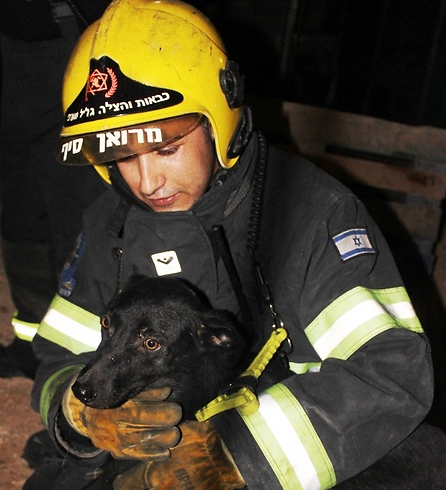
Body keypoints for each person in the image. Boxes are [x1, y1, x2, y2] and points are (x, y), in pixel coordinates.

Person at [25, 0, 434, 488]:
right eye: (123, 156)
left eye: (166, 148)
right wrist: (76, 415)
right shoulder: (108, 223)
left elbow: (389, 374)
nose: (148, 181)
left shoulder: (311, 211)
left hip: (283, 463)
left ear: (219, 117)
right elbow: (60, 355)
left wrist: (231, 459)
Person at [0, 0, 109, 379]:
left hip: (81, 38)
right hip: (18, 43)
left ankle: (77, 368)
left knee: (74, 210)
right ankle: (32, 343)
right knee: (22, 203)